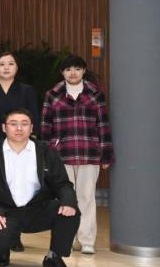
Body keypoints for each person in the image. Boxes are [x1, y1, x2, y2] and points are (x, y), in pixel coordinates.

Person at [0, 108, 79, 267]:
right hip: (5, 212)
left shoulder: (46, 152)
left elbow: (62, 184)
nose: (19, 128)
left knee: (69, 212)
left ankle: (54, 258)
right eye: (13, 124)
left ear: (31, 128)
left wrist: (69, 202)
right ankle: (2, 251)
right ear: (4, 127)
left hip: (37, 209)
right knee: (1, 238)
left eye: (24, 124)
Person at [40, 55, 113, 255]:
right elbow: (45, 127)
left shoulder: (95, 94)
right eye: (68, 69)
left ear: (84, 70)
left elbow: (103, 125)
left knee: (86, 197)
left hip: (89, 153)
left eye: (77, 69)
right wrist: (45, 156)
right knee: (65, 198)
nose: (73, 73)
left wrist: (106, 155)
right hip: (61, 155)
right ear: (62, 72)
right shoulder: (52, 95)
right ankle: (68, 238)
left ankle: (87, 240)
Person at [0, 51, 40, 146]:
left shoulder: (27, 91)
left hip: (23, 141)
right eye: (2, 64)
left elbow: (34, 119)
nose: (6, 67)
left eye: (11, 64)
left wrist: (32, 144)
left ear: (16, 68)